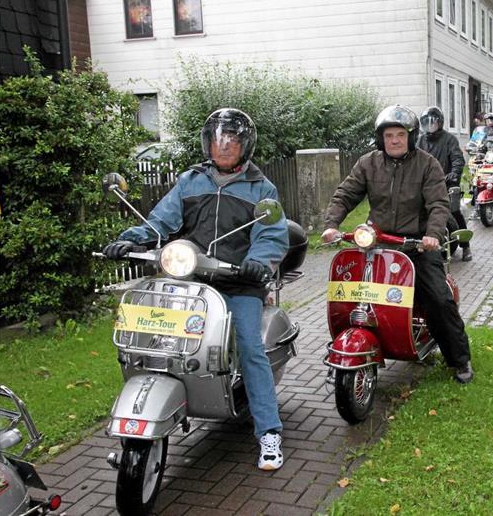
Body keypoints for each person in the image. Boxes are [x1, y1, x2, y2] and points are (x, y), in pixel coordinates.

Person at [102, 108, 290, 470]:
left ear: (244, 145)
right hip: (190, 280)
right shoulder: (190, 181)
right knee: (152, 332)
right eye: (217, 140)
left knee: (250, 346)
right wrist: (128, 240)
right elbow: (161, 221)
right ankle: (156, 404)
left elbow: (271, 233)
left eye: (231, 140)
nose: (223, 147)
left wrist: (258, 260)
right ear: (208, 143)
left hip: (239, 282)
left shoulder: (261, 188)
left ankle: (269, 433)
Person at [321, 105, 474, 384]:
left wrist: (432, 235)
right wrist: (332, 225)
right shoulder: (368, 163)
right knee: (354, 292)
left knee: (439, 299)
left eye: (400, 134)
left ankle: (459, 358)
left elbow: (439, 204)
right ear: (381, 138)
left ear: (410, 136)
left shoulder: (427, 164)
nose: (394, 140)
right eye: (389, 135)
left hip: (416, 246)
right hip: (377, 244)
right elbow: (345, 194)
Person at [417, 106, 473, 262]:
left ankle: (465, 246)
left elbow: (457, 158)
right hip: (423, 185)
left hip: (445, 184)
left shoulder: (449, 140)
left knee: (454, 212)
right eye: (426, 122)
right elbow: (412, 160)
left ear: (440, 123)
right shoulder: (419, 140)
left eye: (433, 122)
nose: (430, 125)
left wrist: (454, 173)